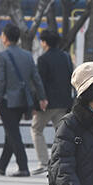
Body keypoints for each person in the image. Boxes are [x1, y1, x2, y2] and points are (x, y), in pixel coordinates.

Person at [0, 23, 47, 177]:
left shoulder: (2, 56)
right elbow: (36, 79)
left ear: (5, 38)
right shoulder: (27, 55)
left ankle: (23, 167)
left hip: (6, 101)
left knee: (13, 133)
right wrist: (42, 97)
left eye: (2, 35)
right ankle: (1, 165)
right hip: (23, 100)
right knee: (11, 131)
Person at [31, 29, 74, 175]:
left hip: (47, 103)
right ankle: (63, 162)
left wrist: (38, 102)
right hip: (64, 102)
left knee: (36, 129)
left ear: (44, 42)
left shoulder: (43, 59)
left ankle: (43, 162)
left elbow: (40, 83)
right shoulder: (66, 57)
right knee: (61, 133)